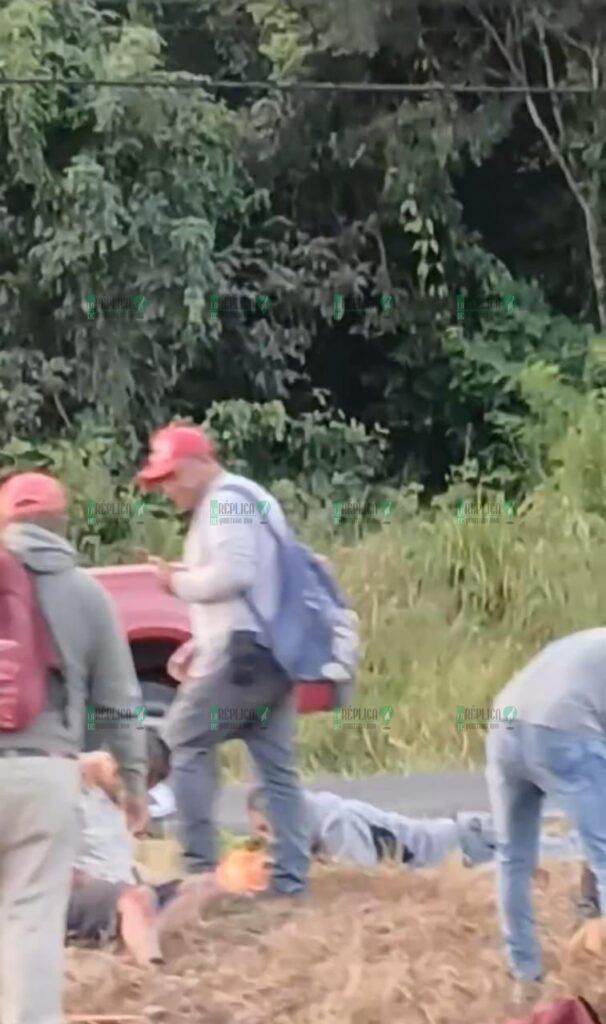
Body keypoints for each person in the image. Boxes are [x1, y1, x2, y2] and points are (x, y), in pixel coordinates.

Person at [136, 424, 309, 897]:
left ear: (198, 463)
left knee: (182, 743)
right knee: (275, 768)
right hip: (271, 653)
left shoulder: (225, 502)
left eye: (171, 477)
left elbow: (237, 574)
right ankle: (291, 880)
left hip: (245, 657)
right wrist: (199, 645)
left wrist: (177, 584)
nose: (167, 489)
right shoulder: (250, 498)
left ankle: (198, 875)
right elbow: (257, 588)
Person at [0, 471, 148, 1024]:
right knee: (30, 924)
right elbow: (120, 702)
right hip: (45, 776)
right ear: (62, 525)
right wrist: (132, 785)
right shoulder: (87, 594)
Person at [486, 628, 606, 986]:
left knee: (512, 857)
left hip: (504, 722)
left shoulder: (589, 642)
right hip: (562, 728)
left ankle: (524, 975)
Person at [246, 786, 583, 870]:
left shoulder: (337, 826)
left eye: (265, 829)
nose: (265, 839)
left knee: (575, 857)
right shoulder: (319, 815)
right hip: (466, 842)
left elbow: (366, 884)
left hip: (469, 846)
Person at [69, 732, 182, 964]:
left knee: (201, 885)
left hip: (119, 887)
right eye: (140, 784)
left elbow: (116, 852)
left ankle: (139, 936)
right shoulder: (66, 781)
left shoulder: (124, 802)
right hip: (76, 888)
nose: (139, 794)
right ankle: (150, 966)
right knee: (138, 899)